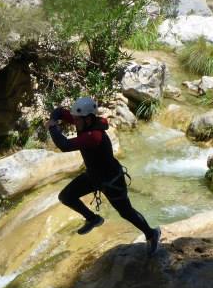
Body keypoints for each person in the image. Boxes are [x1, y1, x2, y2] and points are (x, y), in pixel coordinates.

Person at [47, 97, 161, 255]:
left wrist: (52, 127)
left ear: (88, 119)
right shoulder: (85, 121)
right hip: (94, 176)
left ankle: (152, 233)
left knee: (126, 212)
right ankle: (93, 219)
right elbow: (59, 111)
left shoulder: (95, 136)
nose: (75, 122)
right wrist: (54, 117)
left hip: (111, 180)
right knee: (66, 196)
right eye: (75, 118)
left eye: (78, 119)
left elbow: (65, 145)